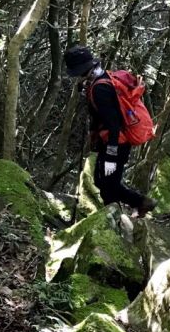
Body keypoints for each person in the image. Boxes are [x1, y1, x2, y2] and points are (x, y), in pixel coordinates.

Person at [64, 45, 156, 217]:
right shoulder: (102, 77)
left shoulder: (100, 89)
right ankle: (138, 204)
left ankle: (121, 216)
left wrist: (111, 156)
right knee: (101, 180)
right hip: (113, 141)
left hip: (116, 143)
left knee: (109, 184)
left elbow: (113, 124)